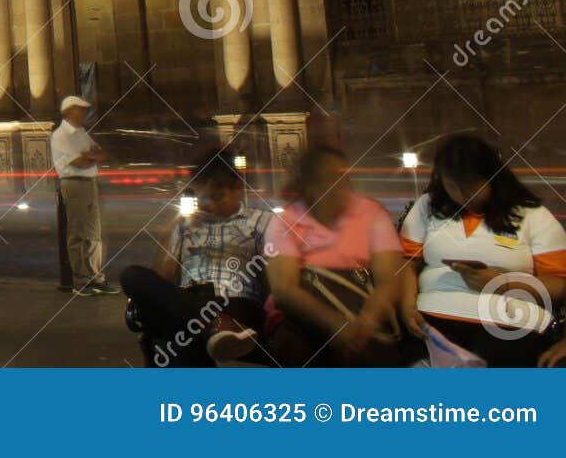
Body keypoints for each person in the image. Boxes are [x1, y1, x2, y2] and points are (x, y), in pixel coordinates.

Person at [398, 134, 566, 367]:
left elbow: (559, 284)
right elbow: (408, 262)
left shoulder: (532, 215)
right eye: (451, 186)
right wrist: (407, 304)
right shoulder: (427, 206)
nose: (461, 195)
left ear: (492, 178)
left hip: (508, 321)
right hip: (432, 318)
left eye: (470, 187)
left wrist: (501, 284)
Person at [120, 148, 272, 366]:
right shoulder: (187, 224)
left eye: (217, 196)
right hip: (188, 299)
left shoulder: (260, 221)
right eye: (202, 197)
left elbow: (276, 270)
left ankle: (215, 325)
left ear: (238, 189)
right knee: (132, 276)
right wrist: (178, 228)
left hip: (235, 301)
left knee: (180, 333)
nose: (208, 204)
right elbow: (163, 277)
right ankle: (216, 324)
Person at [264, 145, 410, 366]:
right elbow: (285, 289)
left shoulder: (371, 213)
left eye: (341, 177)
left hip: (362, 306)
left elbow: (388, 278)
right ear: (309, 187)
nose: (337, 186)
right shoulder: (285, 221)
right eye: (327, 179)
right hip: (304, 316)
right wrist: (335, 324)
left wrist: (368, 320)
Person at [50, 95, 117, 295]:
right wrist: (89, 157)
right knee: (78, 233)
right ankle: (81, 280)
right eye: (81, 109)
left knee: (94, 234)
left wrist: (89, 157)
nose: (84, 113)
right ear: (69, 111)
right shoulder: (61, 135)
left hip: (89, 184)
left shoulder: (81, 133)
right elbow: (78, 163)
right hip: (74, 185)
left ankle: (96, 277)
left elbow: (101, 154)